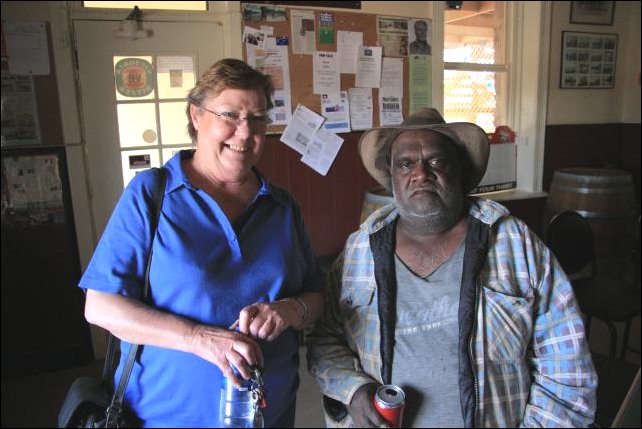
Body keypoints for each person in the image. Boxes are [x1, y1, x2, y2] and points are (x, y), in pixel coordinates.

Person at [306, 108, 597, 427]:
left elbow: (568, 372)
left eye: (436, 161)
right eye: (406, 163)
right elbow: (324, 341)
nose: (421, 173)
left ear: (459, 171)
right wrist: (354, 390)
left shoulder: (514, 244)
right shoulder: (359, 251)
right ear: (392, 178)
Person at [80, 58, 324, 427]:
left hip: (269, 414)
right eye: (230, 115)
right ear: (197, 116)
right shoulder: (152, 195)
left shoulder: (282, 206)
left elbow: (317, 297)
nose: (245, 133)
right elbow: (100, 307)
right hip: (164, 416)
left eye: (257, 119)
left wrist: (290, 310)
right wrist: (200, 339)